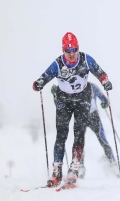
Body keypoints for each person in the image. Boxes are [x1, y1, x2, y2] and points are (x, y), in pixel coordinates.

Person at [32, 32, 112, 187]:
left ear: (78, 48)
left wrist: (105, 82)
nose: (71, 54)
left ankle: (74, 169)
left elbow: (100, 72)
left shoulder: (85, 59)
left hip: (82, 98)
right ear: (63, 50)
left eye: (74, 49)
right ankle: (56, 172)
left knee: (79, 132)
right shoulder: (58, 64)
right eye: (68, 51)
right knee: (61, 134)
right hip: (64, 99)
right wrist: (39, 83)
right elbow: (45, 76)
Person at [51, 82, 118, 179]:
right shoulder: (70, 88)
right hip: (80, 117)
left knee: (102, 140)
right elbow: (61, 106)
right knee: (79, 141)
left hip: (93, 117)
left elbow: (104, 99)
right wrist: (56, 95)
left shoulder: (92, 86)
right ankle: (80, 166)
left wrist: (105, 103)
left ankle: (113, 163)